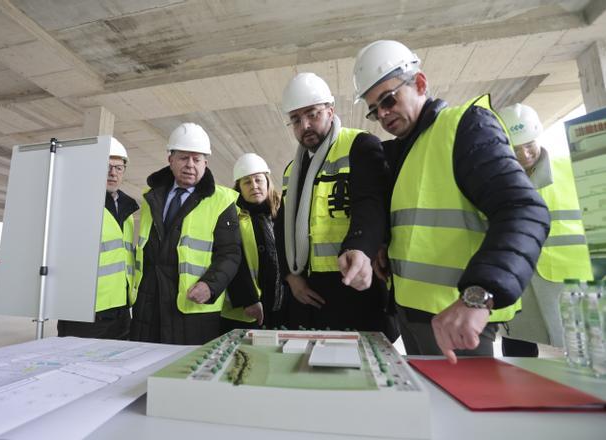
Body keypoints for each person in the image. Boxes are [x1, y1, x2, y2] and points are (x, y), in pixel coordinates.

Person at [349, 40, 550, 363]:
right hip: (412, 314)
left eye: (388, 99)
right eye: (375, 110)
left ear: (420, 83)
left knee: (466, 411)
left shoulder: (466, 127)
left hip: (455, 320)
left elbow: (524, 210)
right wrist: (388, 245)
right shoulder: (408, 148)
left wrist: (478, 296)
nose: (383, 114)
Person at [275, 72, 390, 332]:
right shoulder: (293, 169)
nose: (304, 125)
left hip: (352, 283)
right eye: (295, 119)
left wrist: (361, 247)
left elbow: (371, 205)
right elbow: (282, 227)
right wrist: (291, 277)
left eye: (312, 114)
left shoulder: (359, 145)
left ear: (330, 111)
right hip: (307, 290)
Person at [130, 123, 241, 345]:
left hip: (190, 307)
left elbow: (230, 253)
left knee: (186, 371)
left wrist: (211, 285)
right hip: (148, 303)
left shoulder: (221, 201)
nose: (190, 165)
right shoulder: (151, 197)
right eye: (183, 158)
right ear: (170, 160)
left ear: (205, 163)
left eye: (197, 159)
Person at [498, 103, 593, 357]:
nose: (525, 153)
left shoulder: (570, 170)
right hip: (519, 283)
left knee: (579, 349)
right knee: (518, 350)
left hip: (568, 281)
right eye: (516, 148)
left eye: (529, 144)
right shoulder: (496, 182)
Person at [58, 138, 139, 339]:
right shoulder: (76, 202)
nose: (113, 173)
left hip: (120, 308)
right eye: (107, 166)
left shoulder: (128, 209)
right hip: (86, 310)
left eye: (119, 168)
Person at [221, 153, 286, 331]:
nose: (254, 186)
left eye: (258, 180)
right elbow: (230, 259)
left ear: (267, 181)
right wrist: (248, 299)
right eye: (247, 182)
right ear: (239, 187)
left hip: (282, 306)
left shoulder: (283, 213)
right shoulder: (230, 216)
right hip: (246, 309)